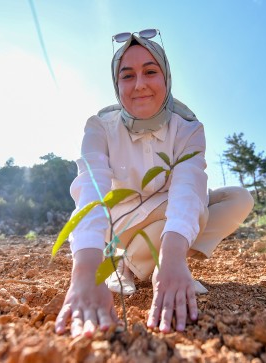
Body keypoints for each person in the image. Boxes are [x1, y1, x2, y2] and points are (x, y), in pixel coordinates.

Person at [55, 29, 254, 337]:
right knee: (175, 207)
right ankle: (125, 263)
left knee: (237, 199)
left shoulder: (187, 127)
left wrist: (172, 260)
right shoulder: (99, 128)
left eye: (150, 72)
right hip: (119, 228)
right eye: (127, 76)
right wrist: (86, 273)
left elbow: (188, 186)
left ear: (166, 77)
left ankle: (160, 264)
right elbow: (90, 192)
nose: (140, 85)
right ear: (116, 83)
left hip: (169, 215)